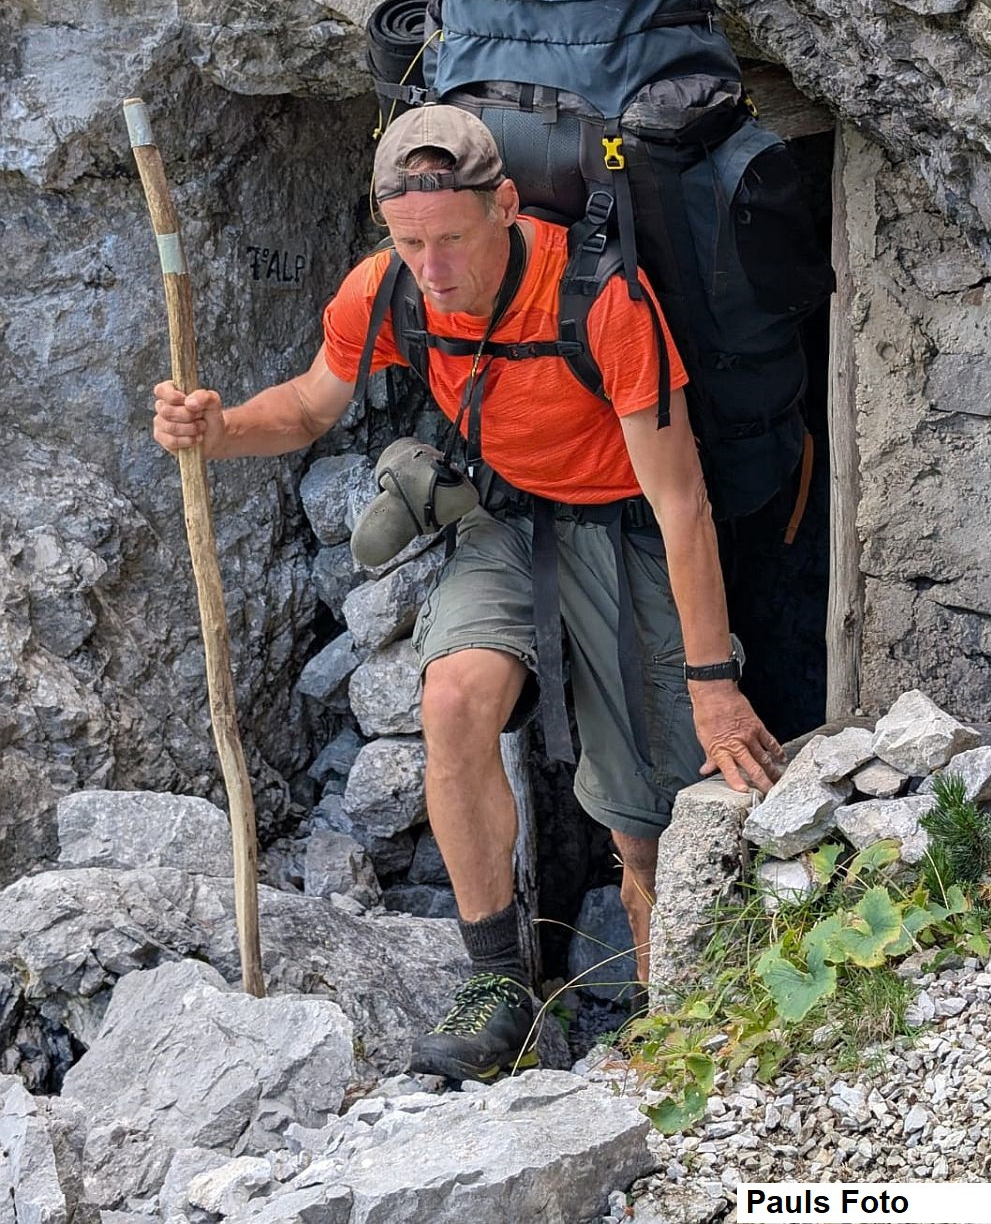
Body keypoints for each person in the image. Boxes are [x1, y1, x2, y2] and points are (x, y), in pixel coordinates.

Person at [153, 105, 784, 1084]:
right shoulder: (388, 290)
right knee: (449, 699)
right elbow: (312, 404)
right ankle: (498, 982)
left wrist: (713, 685)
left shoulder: (602, 296)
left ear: (506, 205)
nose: (434, 269)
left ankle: (672, 1012)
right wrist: (219, 427)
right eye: (411, 244)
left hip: (620, 523)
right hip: (507, 517)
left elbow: (681, 501)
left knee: (644, 823)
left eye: (450, 239)